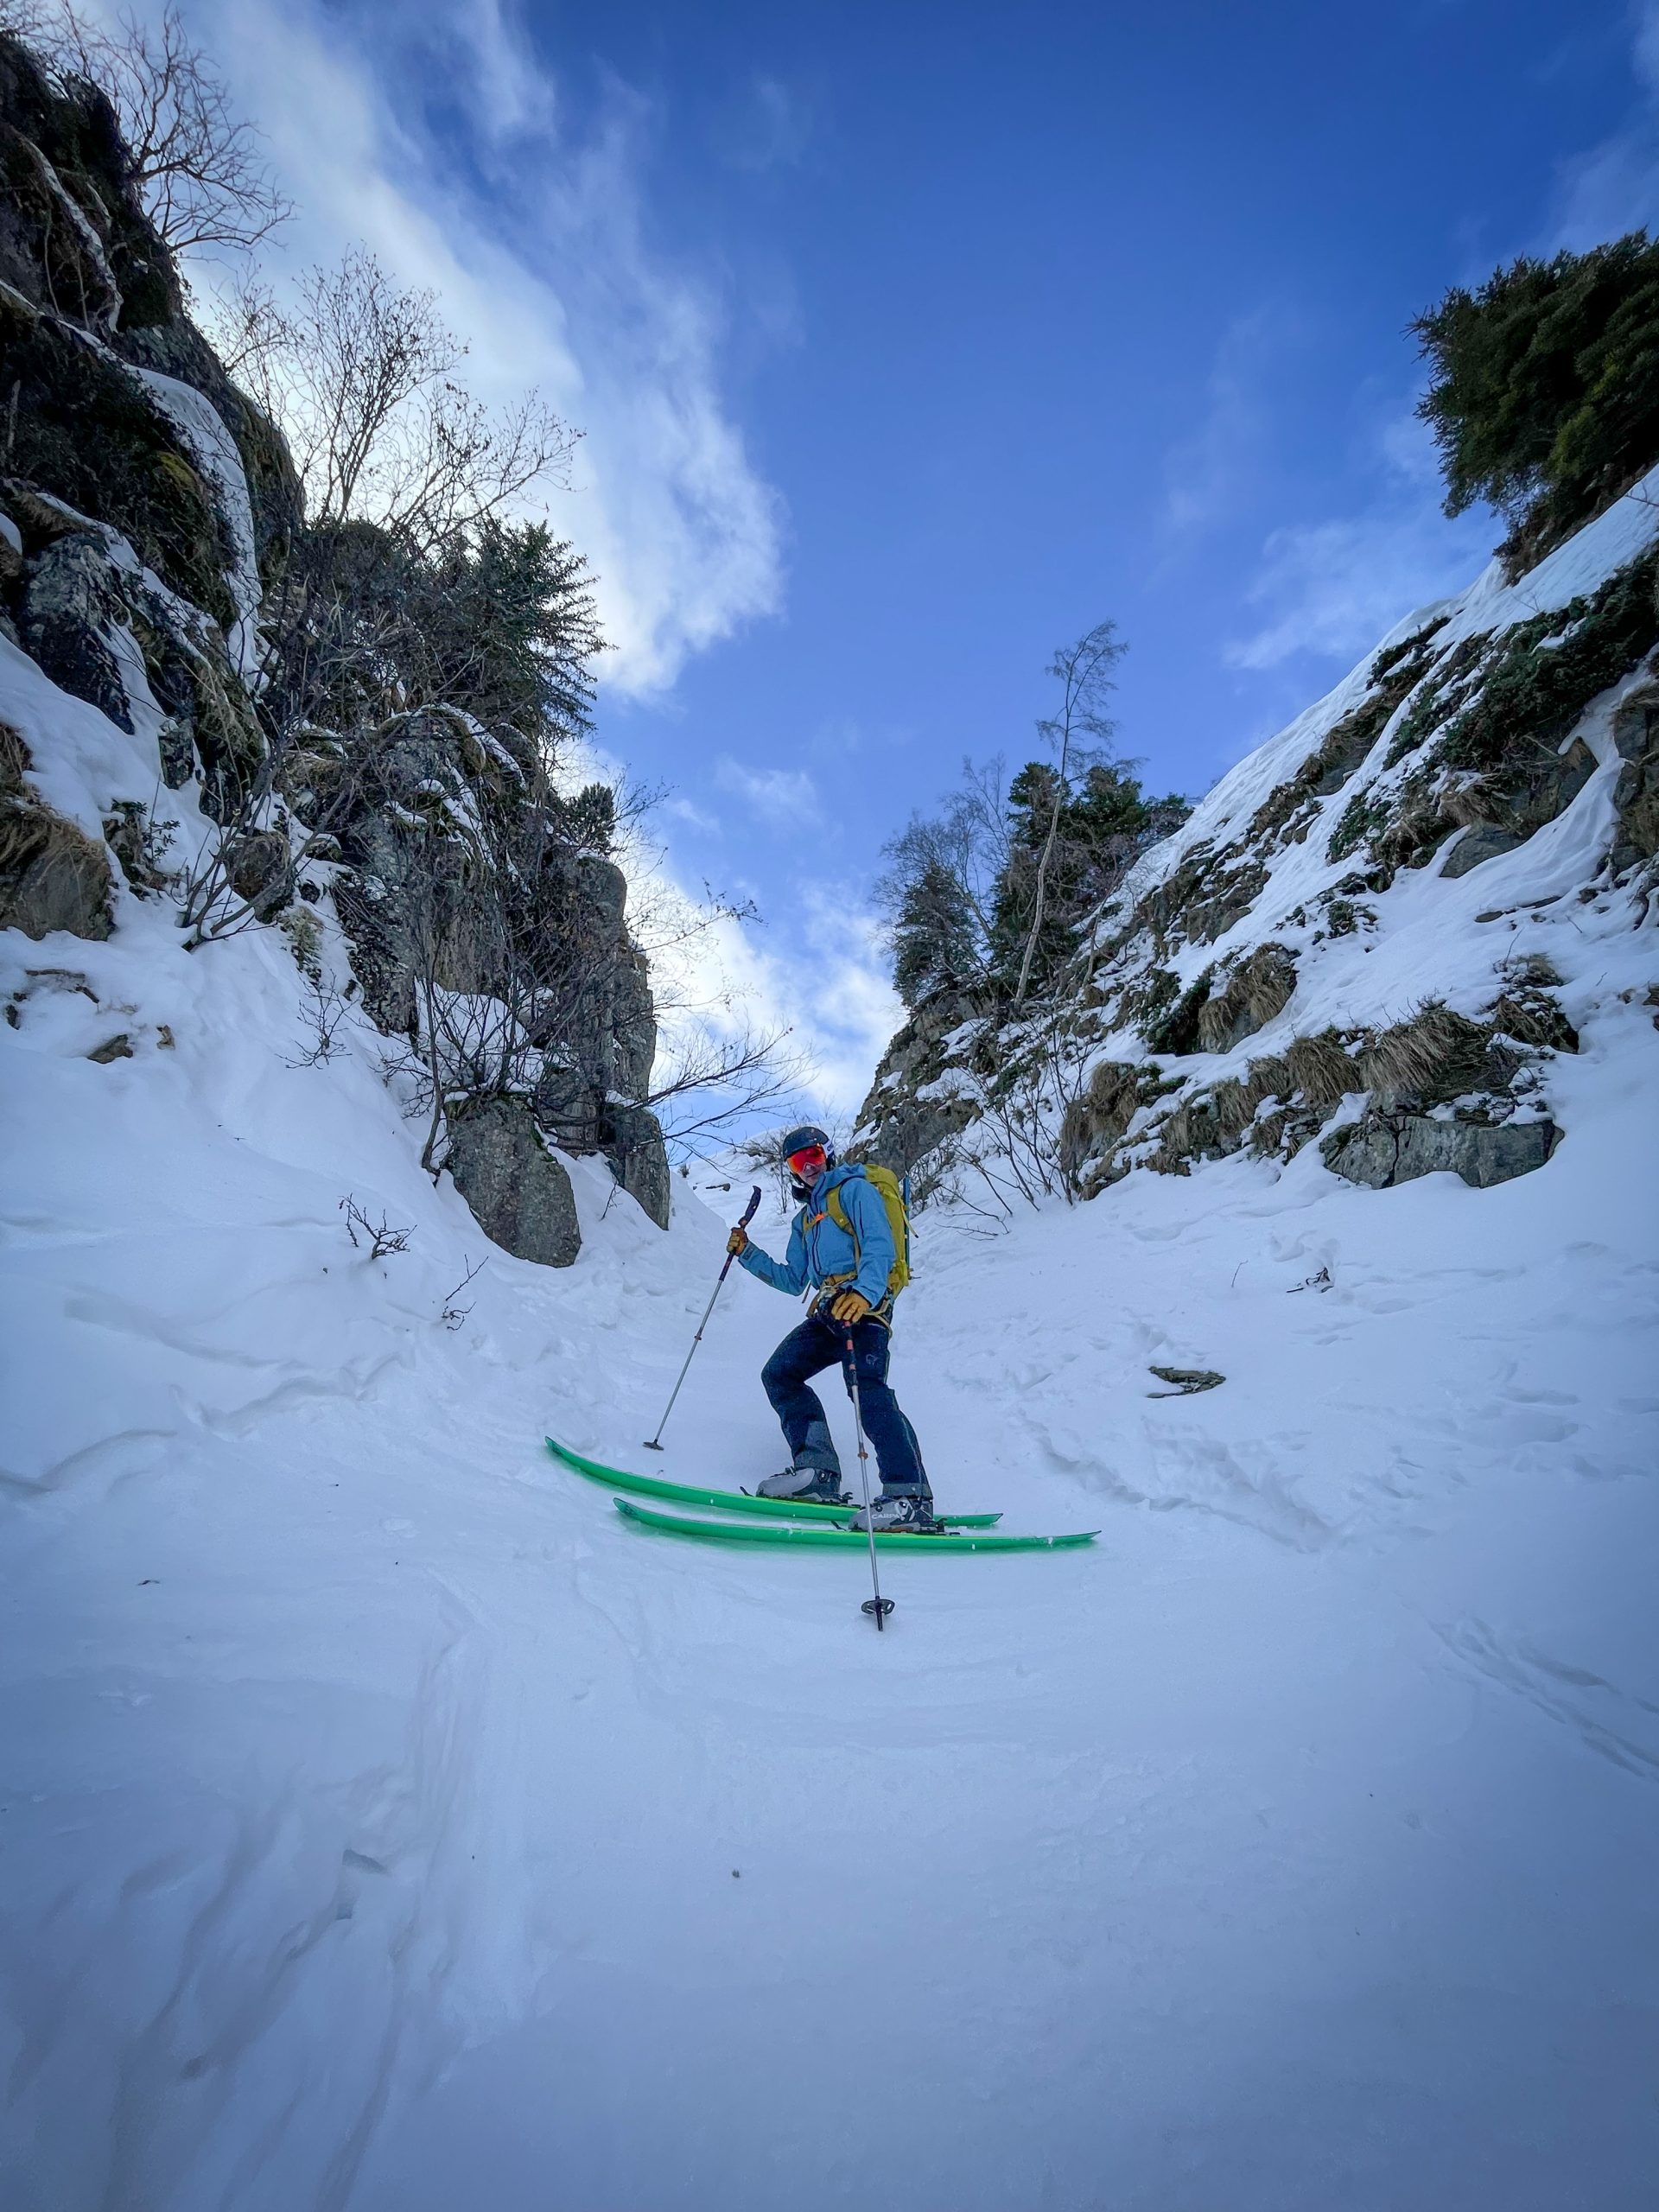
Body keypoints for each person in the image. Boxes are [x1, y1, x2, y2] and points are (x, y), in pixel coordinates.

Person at [726, 1125, 935, 1532]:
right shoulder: (805, 1221)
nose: (807, 1166)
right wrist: (746, 1253)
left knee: (867, 1390)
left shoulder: (856, 1191)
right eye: (797, 1161)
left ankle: (910, 1496)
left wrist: (867, 1295)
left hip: (866, 1309)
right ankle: (817, 1472)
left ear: (829, 1154)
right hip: (829, 1311)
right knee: (780, 1374)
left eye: (814, 1155)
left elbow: (880, 1247)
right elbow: (792, 1280)